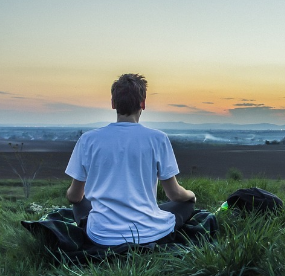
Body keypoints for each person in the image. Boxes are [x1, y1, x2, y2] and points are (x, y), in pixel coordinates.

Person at [65, 73, 196, 246]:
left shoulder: (88, 140)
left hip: (101, 236)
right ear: (143, 103)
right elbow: (174, 194)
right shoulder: (158, 139)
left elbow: (74, 197)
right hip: (149, 233)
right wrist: (191, 195)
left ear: (113, 104)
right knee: (186, 205)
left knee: (80, 202)